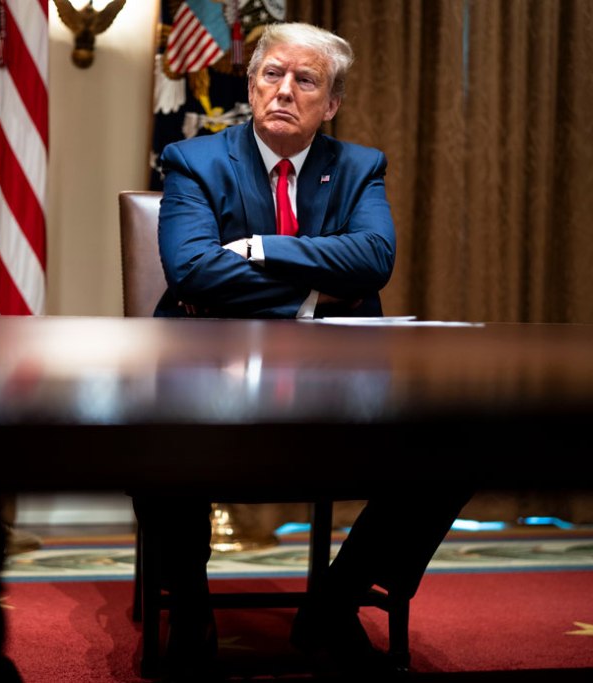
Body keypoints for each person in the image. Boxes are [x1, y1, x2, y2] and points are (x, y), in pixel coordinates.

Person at [134, 22, 473, 682]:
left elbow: (374, 258)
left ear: (332, 103)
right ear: (253, 84)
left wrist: (260, 248)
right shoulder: (196, 161)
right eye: (271, 75)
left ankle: (335, 602)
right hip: (209, 377)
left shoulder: (358, 166)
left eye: (305, 80)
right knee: (157, 435)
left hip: (333, 383)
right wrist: (320, 291)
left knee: (454, 444)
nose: (284, 91)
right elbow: (192, 270)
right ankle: (193, 610)